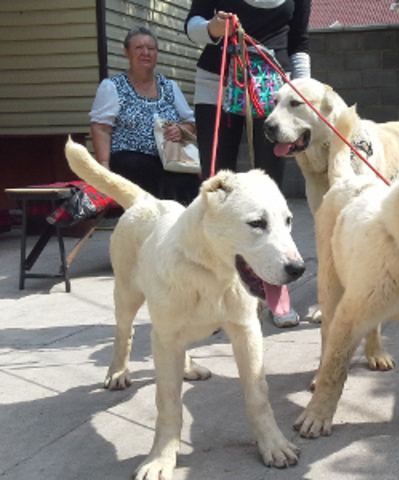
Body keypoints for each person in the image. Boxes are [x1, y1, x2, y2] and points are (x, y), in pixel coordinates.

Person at [185, 0, 311, 327]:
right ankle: (211, 300)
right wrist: (213, 28)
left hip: (275, 91)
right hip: (216, 86)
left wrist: (302, 90)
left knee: (271, 199)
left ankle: (276, 297)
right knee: (214, 196)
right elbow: (192, 26)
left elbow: (299, 42)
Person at [89, 27, 200, 206]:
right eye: (139, 48)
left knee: (190, 180)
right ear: (127, 53)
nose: (145, 53)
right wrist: (103, 166)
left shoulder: (169, 86)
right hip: (129, 157)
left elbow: (190, 123)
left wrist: (180, 129)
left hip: (169, 158)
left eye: (151, 48)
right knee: (159, 177)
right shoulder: (112, 87)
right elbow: (101, 129)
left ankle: (189, 227)